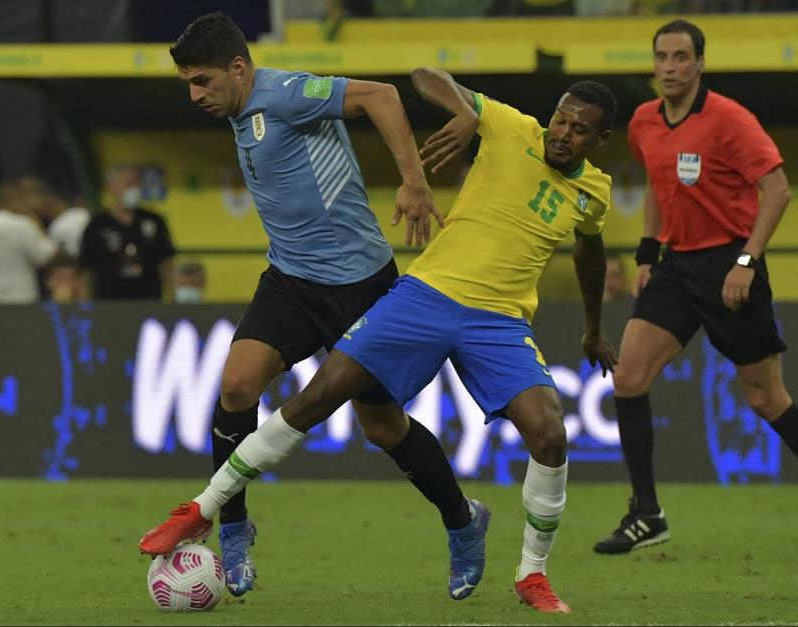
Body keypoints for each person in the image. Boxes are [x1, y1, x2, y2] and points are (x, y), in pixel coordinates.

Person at [141, 61, 619, 612]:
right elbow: (425, 76)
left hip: (499, 321)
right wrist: (466, 111)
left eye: (579, 129)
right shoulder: (512, 126)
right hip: (424, 297)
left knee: (549, 434)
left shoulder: (594, 193)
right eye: (560, 120)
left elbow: (590, 249)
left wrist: (592, 329)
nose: (562, 133)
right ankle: (203, 509)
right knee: (318, 396)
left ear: (601, 139)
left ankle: (531, 574)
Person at [139, 12, 491, 603]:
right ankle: (232, 529)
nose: (195, 95)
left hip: (360, 285)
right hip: (290, 280)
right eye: (187, 85)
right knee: (235, 387)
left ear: (238, 68)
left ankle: (462, 521)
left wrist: (413, 181)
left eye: (202, 81)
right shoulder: (236, 106)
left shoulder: (286, 93)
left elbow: (381, 94)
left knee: (381, 426)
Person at [593, 19, 795, 555]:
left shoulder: (730, 119)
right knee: (628, 377)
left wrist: (747, 261)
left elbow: (776, 190)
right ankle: (647, 515)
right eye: (662, 57)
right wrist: (647, 253)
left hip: (731, 264)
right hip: (677, 268)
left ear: (700, 64)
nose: (671, 68)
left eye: (682, 58)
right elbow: (662, 186)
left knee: (765, 398)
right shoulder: (643, 122)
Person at [79, 165, 176, 300]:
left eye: (137, 184)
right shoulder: (97, 225)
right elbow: (87, 270)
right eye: (129, 184)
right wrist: (87, 305)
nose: (135, 189)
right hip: (110, 304)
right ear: (111, 188)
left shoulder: (154, 221)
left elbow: (166, 264)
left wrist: (173, 298)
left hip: (149, 300)